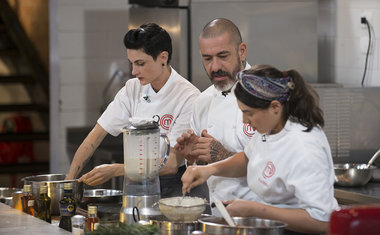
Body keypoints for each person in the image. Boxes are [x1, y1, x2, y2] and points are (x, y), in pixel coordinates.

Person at [181, 65, 339, 234]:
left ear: (275, 107)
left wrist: (254, 210)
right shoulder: (271, 127)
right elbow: (249, 158)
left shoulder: (304, 146)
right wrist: (209, 169)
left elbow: (321, 220)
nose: (245, 121)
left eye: (249, 113)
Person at [65, 23, 207, 199]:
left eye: (140, 63)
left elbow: (171, 164)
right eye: (132, 63)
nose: (133, 71)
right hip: (137, 188)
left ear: (163, 57)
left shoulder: (188, 96)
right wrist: (69, 182)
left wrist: (117, 169)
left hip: (174, 189)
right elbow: (95, 136)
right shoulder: (132, 88)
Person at [174, 18, 259, 216]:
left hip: (261, 219)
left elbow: (272, 167)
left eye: (222, 56)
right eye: (207, 58)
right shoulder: (202, 102)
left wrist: (220, 155)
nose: (215, 67)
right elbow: (200, 169)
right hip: (218, 218)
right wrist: (194, 157)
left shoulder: (264, 95)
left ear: (242, 51)